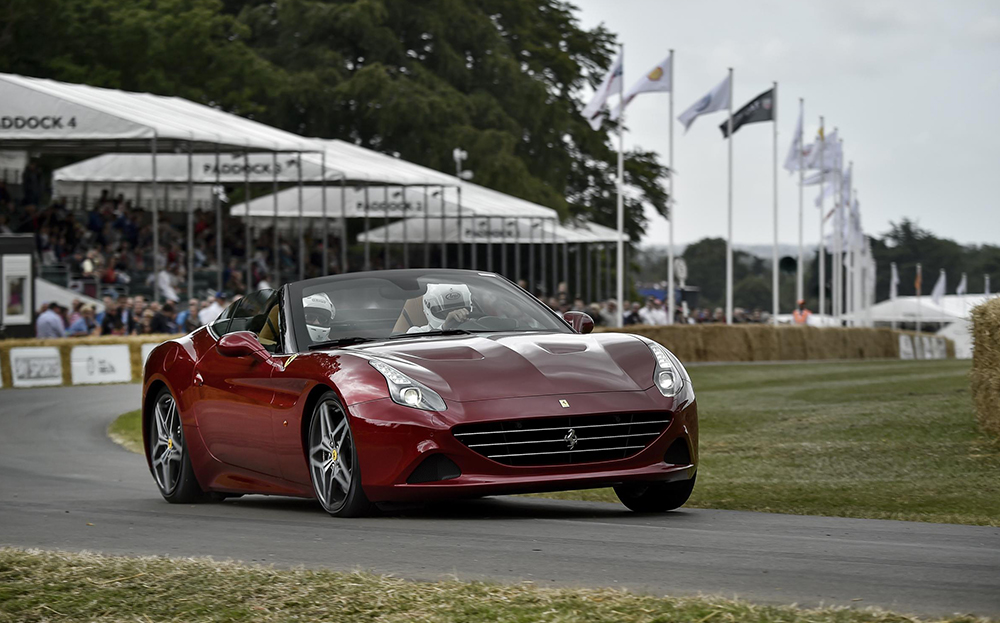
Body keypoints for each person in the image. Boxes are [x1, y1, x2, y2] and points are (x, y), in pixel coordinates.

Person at [407, 284, 472, 334]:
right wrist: (445, 327)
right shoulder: (415, 332)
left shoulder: (476, 328)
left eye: (460, 308)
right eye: (447, 311)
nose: (454, 314)